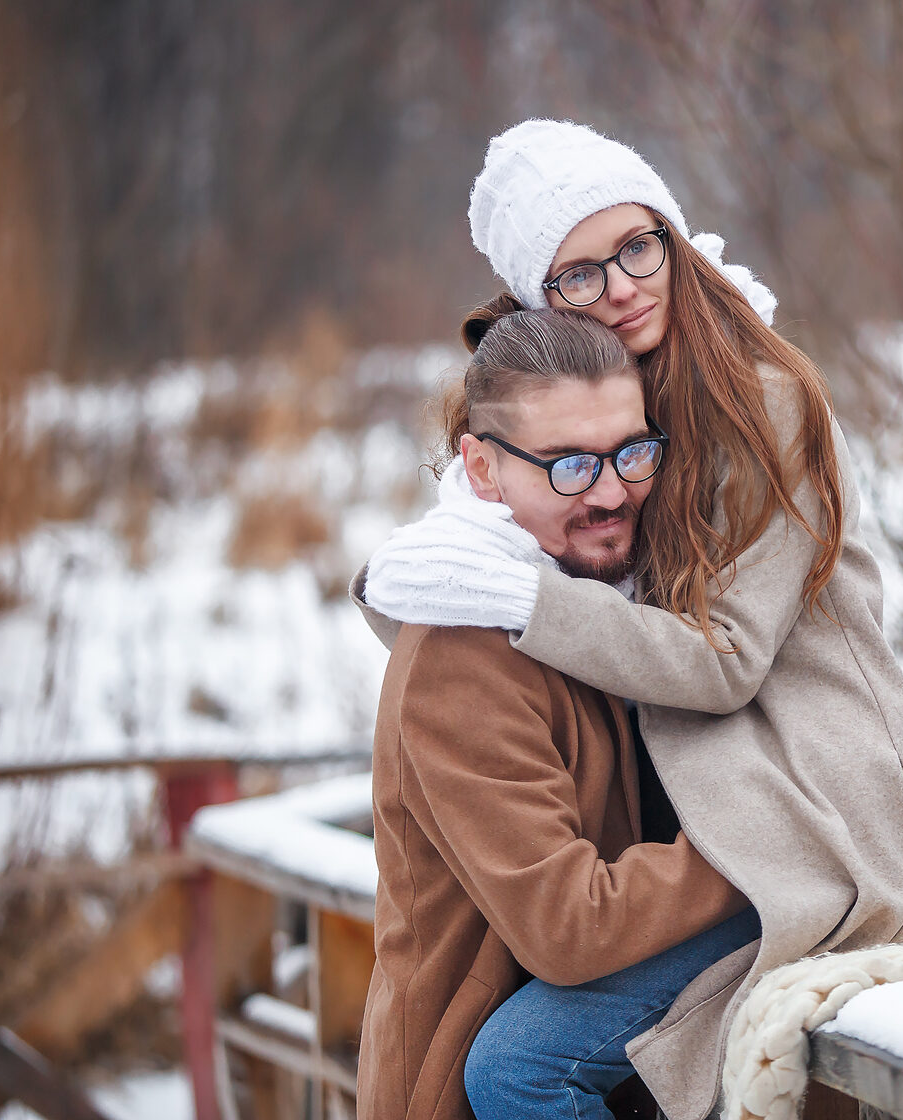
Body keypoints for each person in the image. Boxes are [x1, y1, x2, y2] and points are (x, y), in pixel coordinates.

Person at [356, 119, 903, 1120]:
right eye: (580, 274)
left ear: (673, 237)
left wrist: (512, 597)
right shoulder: (608, 414)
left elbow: (720, 662)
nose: (625, 285)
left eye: (639, 246)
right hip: (722, 825)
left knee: (522, 1066)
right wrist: (454, 580)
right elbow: (485, 664)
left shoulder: (762, 407)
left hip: (817, 821)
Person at [358, 308, 758, 1120]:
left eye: (631, 453)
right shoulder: (462, 657)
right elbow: (567, 925)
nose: (613, 492)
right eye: (570, 464)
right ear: (481, 468)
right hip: (465, 1091)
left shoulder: (600, 603)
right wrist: (767, 851)